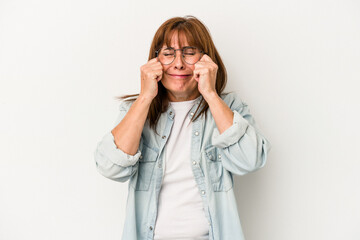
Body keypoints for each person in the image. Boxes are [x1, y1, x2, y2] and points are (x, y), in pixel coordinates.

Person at [94, 15, 271, 240]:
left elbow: (250, 160)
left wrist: (210, 93)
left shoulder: (228, 107)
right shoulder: (135, 110)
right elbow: (110, 168)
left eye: (189, 52)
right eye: (168, 54)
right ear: (155, 61)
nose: (178, 63)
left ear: (206, 59)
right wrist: (145, 97)